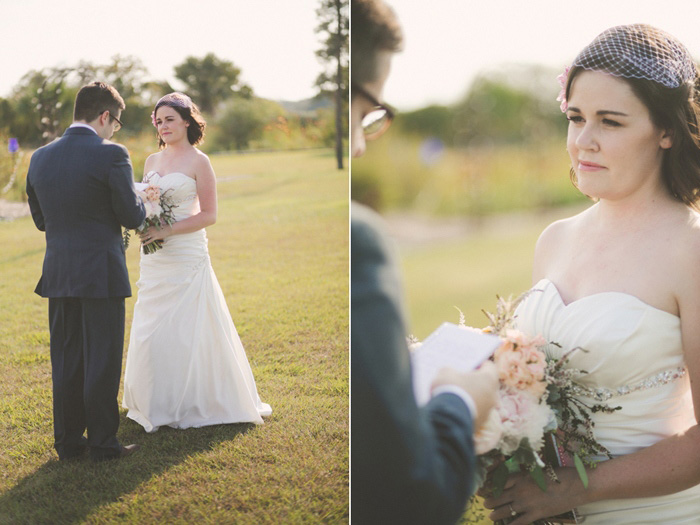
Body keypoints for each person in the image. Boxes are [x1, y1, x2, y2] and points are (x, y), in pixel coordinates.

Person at [483, 24, 700, 524]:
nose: (583, 141)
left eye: (611, 122)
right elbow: (540, 390)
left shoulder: (691, 249)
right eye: (575, 117)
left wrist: (572, 490)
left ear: (665, 130)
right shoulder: (554, 239)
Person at [351, 1, 499, 523]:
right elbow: (412, 498)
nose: (363, 144)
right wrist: (459, 398)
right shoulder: (359, 239)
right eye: (368, 111)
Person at [122, 92, 271, 433]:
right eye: (158, 121)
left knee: (188, 329)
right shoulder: (150, 161)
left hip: (186, 253)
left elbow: (210, 214)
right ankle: (153, 398)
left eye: (169, 119)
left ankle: (193, 399)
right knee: (151, 328)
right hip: (155, 259)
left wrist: (167, 229)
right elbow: (146, 204)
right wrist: (144, 224)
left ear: (186, 120)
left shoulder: (199, 161)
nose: (163, 126)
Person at [26, 81, 146, 461]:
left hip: (59, 272)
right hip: (101, 272)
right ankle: (103, 443)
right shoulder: (112, 154)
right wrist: (141, 200)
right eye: (117, 122)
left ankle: (68, 443)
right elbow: (130, 215)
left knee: (66, 358)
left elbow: (41, 220)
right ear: (105, 115)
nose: (116, 130)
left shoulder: (39, 157)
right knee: (103, 358)